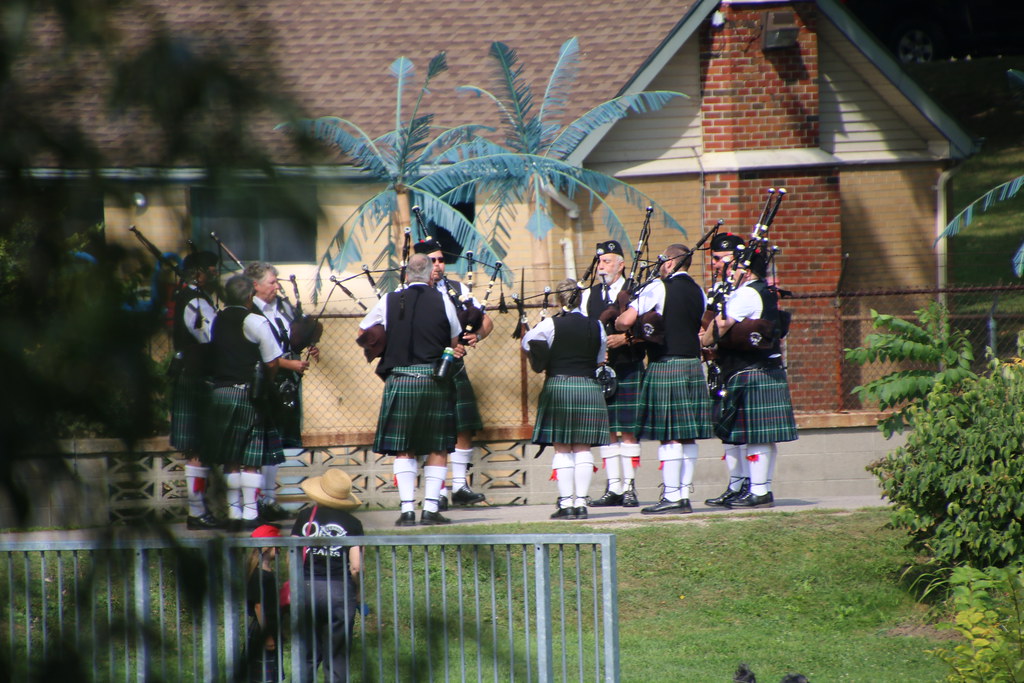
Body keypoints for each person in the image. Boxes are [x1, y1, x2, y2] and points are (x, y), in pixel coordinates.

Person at [357, 252, 463, 526]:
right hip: (433, 379)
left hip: (400, 379)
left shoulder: (388, 300)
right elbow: (453, 340)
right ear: (430, 276)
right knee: (437, 445)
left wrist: (385, 343)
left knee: (404, 448)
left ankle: (406, 512)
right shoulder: (443, 299)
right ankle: (430, 510)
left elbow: (364, 333)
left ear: (405, 275)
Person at [204, 274, 309, 530]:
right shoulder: (255, 321)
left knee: (230, 457)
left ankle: (233, 513)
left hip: (220, 393)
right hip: (248, 394)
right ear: (250, 296)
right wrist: (267, 382)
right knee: (250, 457)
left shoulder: (216, 320)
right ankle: (251, 514)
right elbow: (272, 362)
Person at [700, 237, 798, 508]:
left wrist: (703, 339)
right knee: (753, 436)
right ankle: (753, 489)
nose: (730, 271)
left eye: (735, 266)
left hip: (751, 371)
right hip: (762, 369)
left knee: (756, 436)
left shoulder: (745, 294)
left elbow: (719, 327)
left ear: (746, 269)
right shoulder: (763, 290)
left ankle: (758, 491)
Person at [616, 244, 713, 514]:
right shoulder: (699, 291)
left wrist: (626, 309)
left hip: (666, 364)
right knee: (687, 436)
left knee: (669, 434)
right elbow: (703, 326)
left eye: (662, 260)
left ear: (670, 262)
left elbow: (624, 322)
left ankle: (671, 497)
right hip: (693, 364)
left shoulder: (658, 287)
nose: (660, 265)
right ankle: (683, 495)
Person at [522, 278, 610, 520]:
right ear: (581, 298)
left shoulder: (549, 325)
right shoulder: (597, 326)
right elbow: (600, 358)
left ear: (559, 300)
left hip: (559, 385)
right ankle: (581, 503)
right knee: (582, 446)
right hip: (588, 386)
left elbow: (527, 342)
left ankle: (566, 504)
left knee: (562, 447)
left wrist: (543, 358)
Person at [416, 237, 492, 508]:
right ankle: (436, 492)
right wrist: (449, 347)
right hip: (426, 367)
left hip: (455, 367)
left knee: (463, 425)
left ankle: (460, 486)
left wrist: (475, 338)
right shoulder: (410, 290)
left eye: (441, 259)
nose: (438, 265)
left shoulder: (457, 289)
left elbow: (485, 320)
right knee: (431, 429)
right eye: (432, 260)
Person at [245, 262, 320, 522]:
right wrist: (291, 363)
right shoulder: (250, 312)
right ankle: (262, 502)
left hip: (288, 383)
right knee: (266, 445)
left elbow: (290, 339)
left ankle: (278, 500)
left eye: (277, 282)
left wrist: (306, 346)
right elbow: (262, 355)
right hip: (266, 384)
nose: (277, 287)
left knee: (281, 443)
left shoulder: (282, 308)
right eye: (272, 282)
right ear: (255, 285)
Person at [579, 240, 644, 508]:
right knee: (606, 431)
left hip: (628, 366)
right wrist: (595, 350)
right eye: (599, 261)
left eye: (606, 261)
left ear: (621, 264)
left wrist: (626, 338)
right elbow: (583, 329)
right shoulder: (588, 295)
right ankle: (614, 487)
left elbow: (650, 328)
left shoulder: (638, 290)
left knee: (627, 431)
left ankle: (629, 487)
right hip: (601, 370)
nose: (601, 266)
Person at [291, 469, 363, 683]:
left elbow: (292, 553)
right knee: (337, 654)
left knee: (306, 652)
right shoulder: (352, 523)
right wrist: (357, 592)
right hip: (338, 589)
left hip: (305, 587)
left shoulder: (305, 517)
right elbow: (356, 566)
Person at [169, 250, 223, 530]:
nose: (214, 273)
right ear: (197, 273)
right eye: (210, 269)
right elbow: (210, 336)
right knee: (197, 447)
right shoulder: (195, 300)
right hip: (195, 377)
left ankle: (199, 510)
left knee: (198, 447)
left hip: (193, 375)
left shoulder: (191, 298)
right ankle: (197, 511)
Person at [703, 234, 755, 508]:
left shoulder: (745, 290)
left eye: (718, 259)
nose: (714, 264)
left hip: (742, 366)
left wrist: (709, 337)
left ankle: (749, 484)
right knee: (727, 430)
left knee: (743, 431)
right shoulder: (718, 289)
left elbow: (728, 327)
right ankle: (736, 485)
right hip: (722, 365)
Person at [244, 524, 285, 683]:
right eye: (277, 543)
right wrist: (266, 635)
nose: (280, 547)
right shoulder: (259, 575)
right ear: (267, 547)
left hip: (271, 627)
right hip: (262, 628)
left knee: (272, 676)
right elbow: (258, 606)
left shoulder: (268, 573)